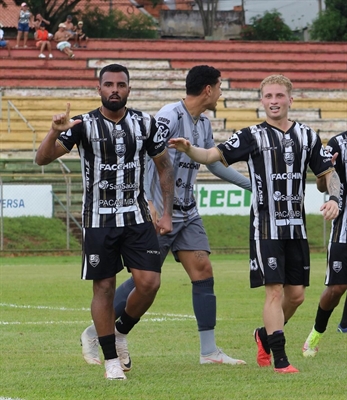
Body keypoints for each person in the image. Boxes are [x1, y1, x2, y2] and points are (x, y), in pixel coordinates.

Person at [80, 65, 252, 368]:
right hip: (158, 213)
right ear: (209, 89)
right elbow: (148, 155)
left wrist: (253, 185)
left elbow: (214, 163)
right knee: (144, 280)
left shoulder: (204, 123)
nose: (222, 94)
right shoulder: (169, 116)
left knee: (203, 271)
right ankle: (97, 332)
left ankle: (208, 351)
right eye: (220, 87)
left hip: (187, 212)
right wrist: (148, 201)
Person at [168, 74, 341, 374]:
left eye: (279, 96)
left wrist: (335, 198)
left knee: (296, 296)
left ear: (290, 99)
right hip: (266, 226)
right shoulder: (251, 135)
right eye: (268, 96)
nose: (274, 101)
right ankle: (281, 359)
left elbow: (327, 175)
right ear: (261, 101)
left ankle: (264, 335)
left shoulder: (308, 136)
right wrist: (189, 149)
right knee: (274, 292)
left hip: (296, 226)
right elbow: (212, 155)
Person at [35, 63, 175, 380]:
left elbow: (165, 166)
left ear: (129, 88)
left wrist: (167, 211)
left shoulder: (145, 123)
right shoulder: (83, 124)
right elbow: (42, 158)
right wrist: (55, 130)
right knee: (105, 286)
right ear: (98, 89)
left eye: (120, 84)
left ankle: (121, 330)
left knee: (150, 283)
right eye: (108, 84)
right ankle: (111, 360)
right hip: (98, 219)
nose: (115, 89)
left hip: (137, 216)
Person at [302, 130, 347, 356]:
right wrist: (323, 172)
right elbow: (322, 186)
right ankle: (315, 334)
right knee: (337, 288)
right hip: (344, 229)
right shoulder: (338, 143)